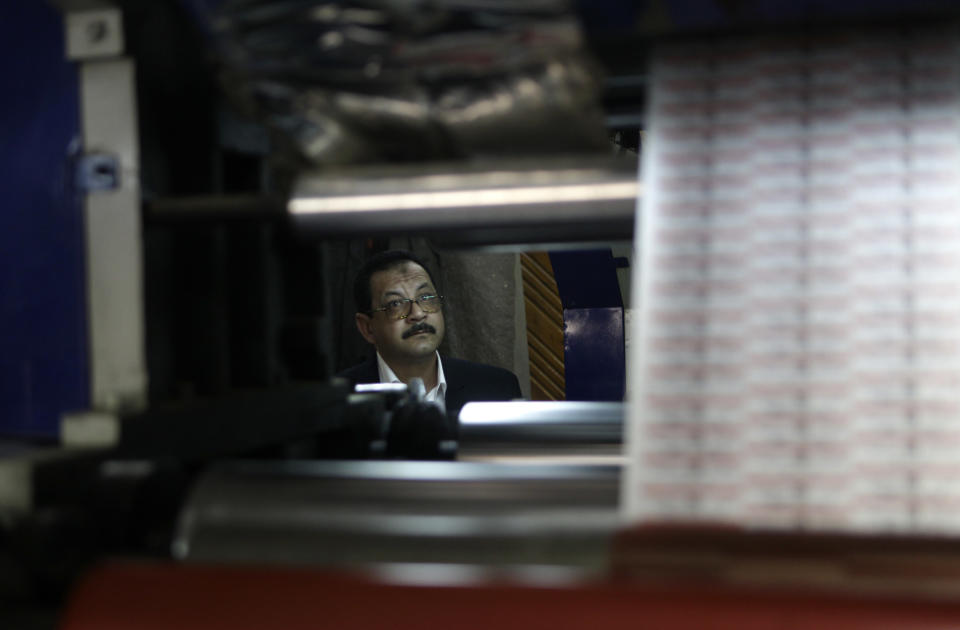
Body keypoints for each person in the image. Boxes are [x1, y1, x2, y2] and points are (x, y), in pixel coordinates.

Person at [338, 249, 522, 418]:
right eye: (395, 304)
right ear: (367, 328)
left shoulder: (497, 388)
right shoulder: (339, 401)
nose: (417, 314)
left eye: (426, 298)